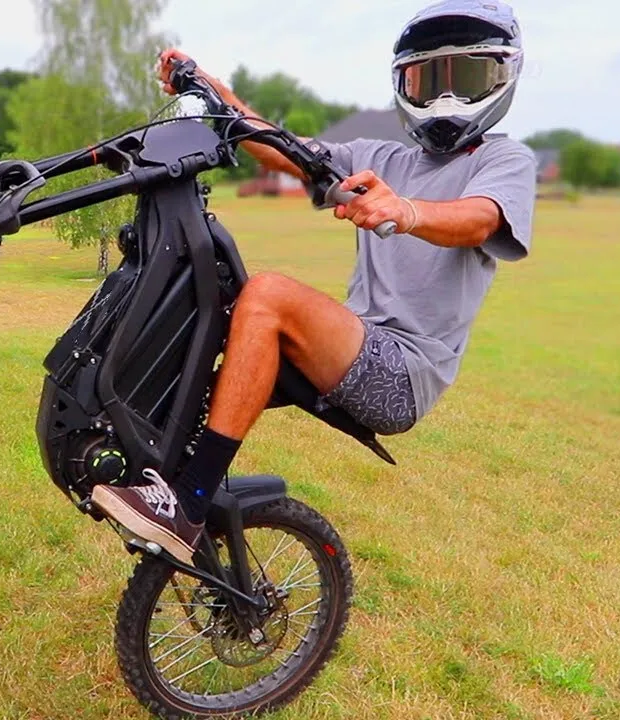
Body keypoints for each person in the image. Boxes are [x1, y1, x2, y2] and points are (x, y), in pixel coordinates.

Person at [91, 0, 537, 563]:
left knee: (269, 295)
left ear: (501, 77)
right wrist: (209, 86)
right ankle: (148, 465)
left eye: (464, 78)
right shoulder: (378, 157)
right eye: (429, 81)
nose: (445, 98)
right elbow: (281, 148)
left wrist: (406, 210)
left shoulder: (504, 160)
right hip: (352, 346)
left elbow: (481, 218)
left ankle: (189, 504)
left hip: (402, 373)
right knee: (213, 300)